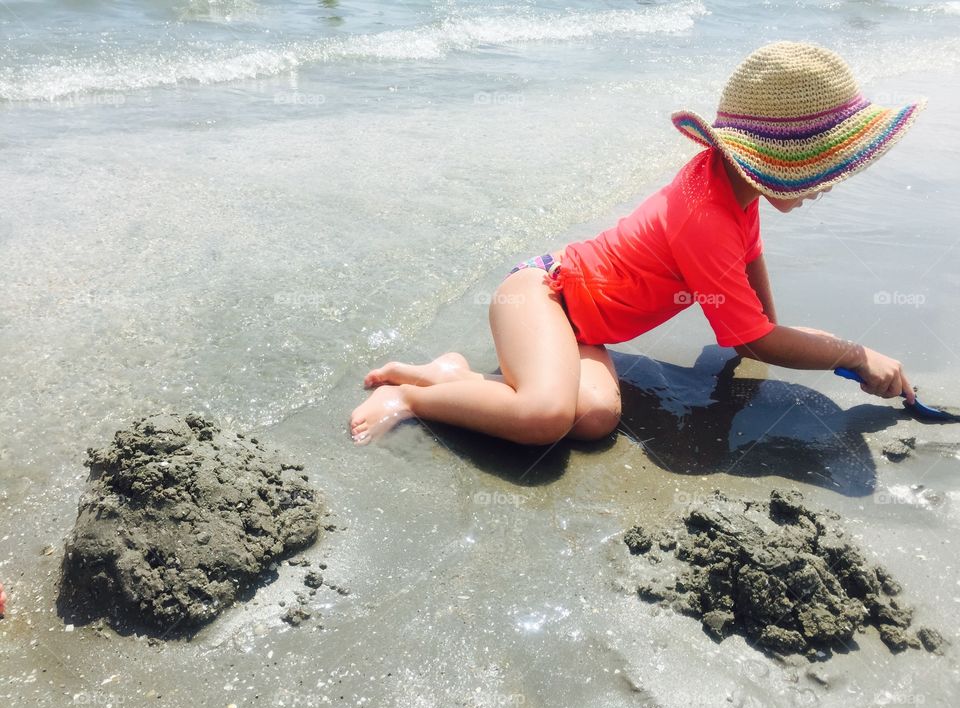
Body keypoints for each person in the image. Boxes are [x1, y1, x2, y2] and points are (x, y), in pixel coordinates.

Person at [350, 41, 925, 446]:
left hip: (586, 328)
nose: (827, 185)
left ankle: (451, 374)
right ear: (773, 161)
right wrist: (852, 353)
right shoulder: (706, 217)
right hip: (540, 297)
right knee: (544, 417)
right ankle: (409, 400)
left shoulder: (733, 192)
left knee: (595, 418)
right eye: (822, 167)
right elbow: (758, 339)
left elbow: (755, 332)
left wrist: (767, 339)